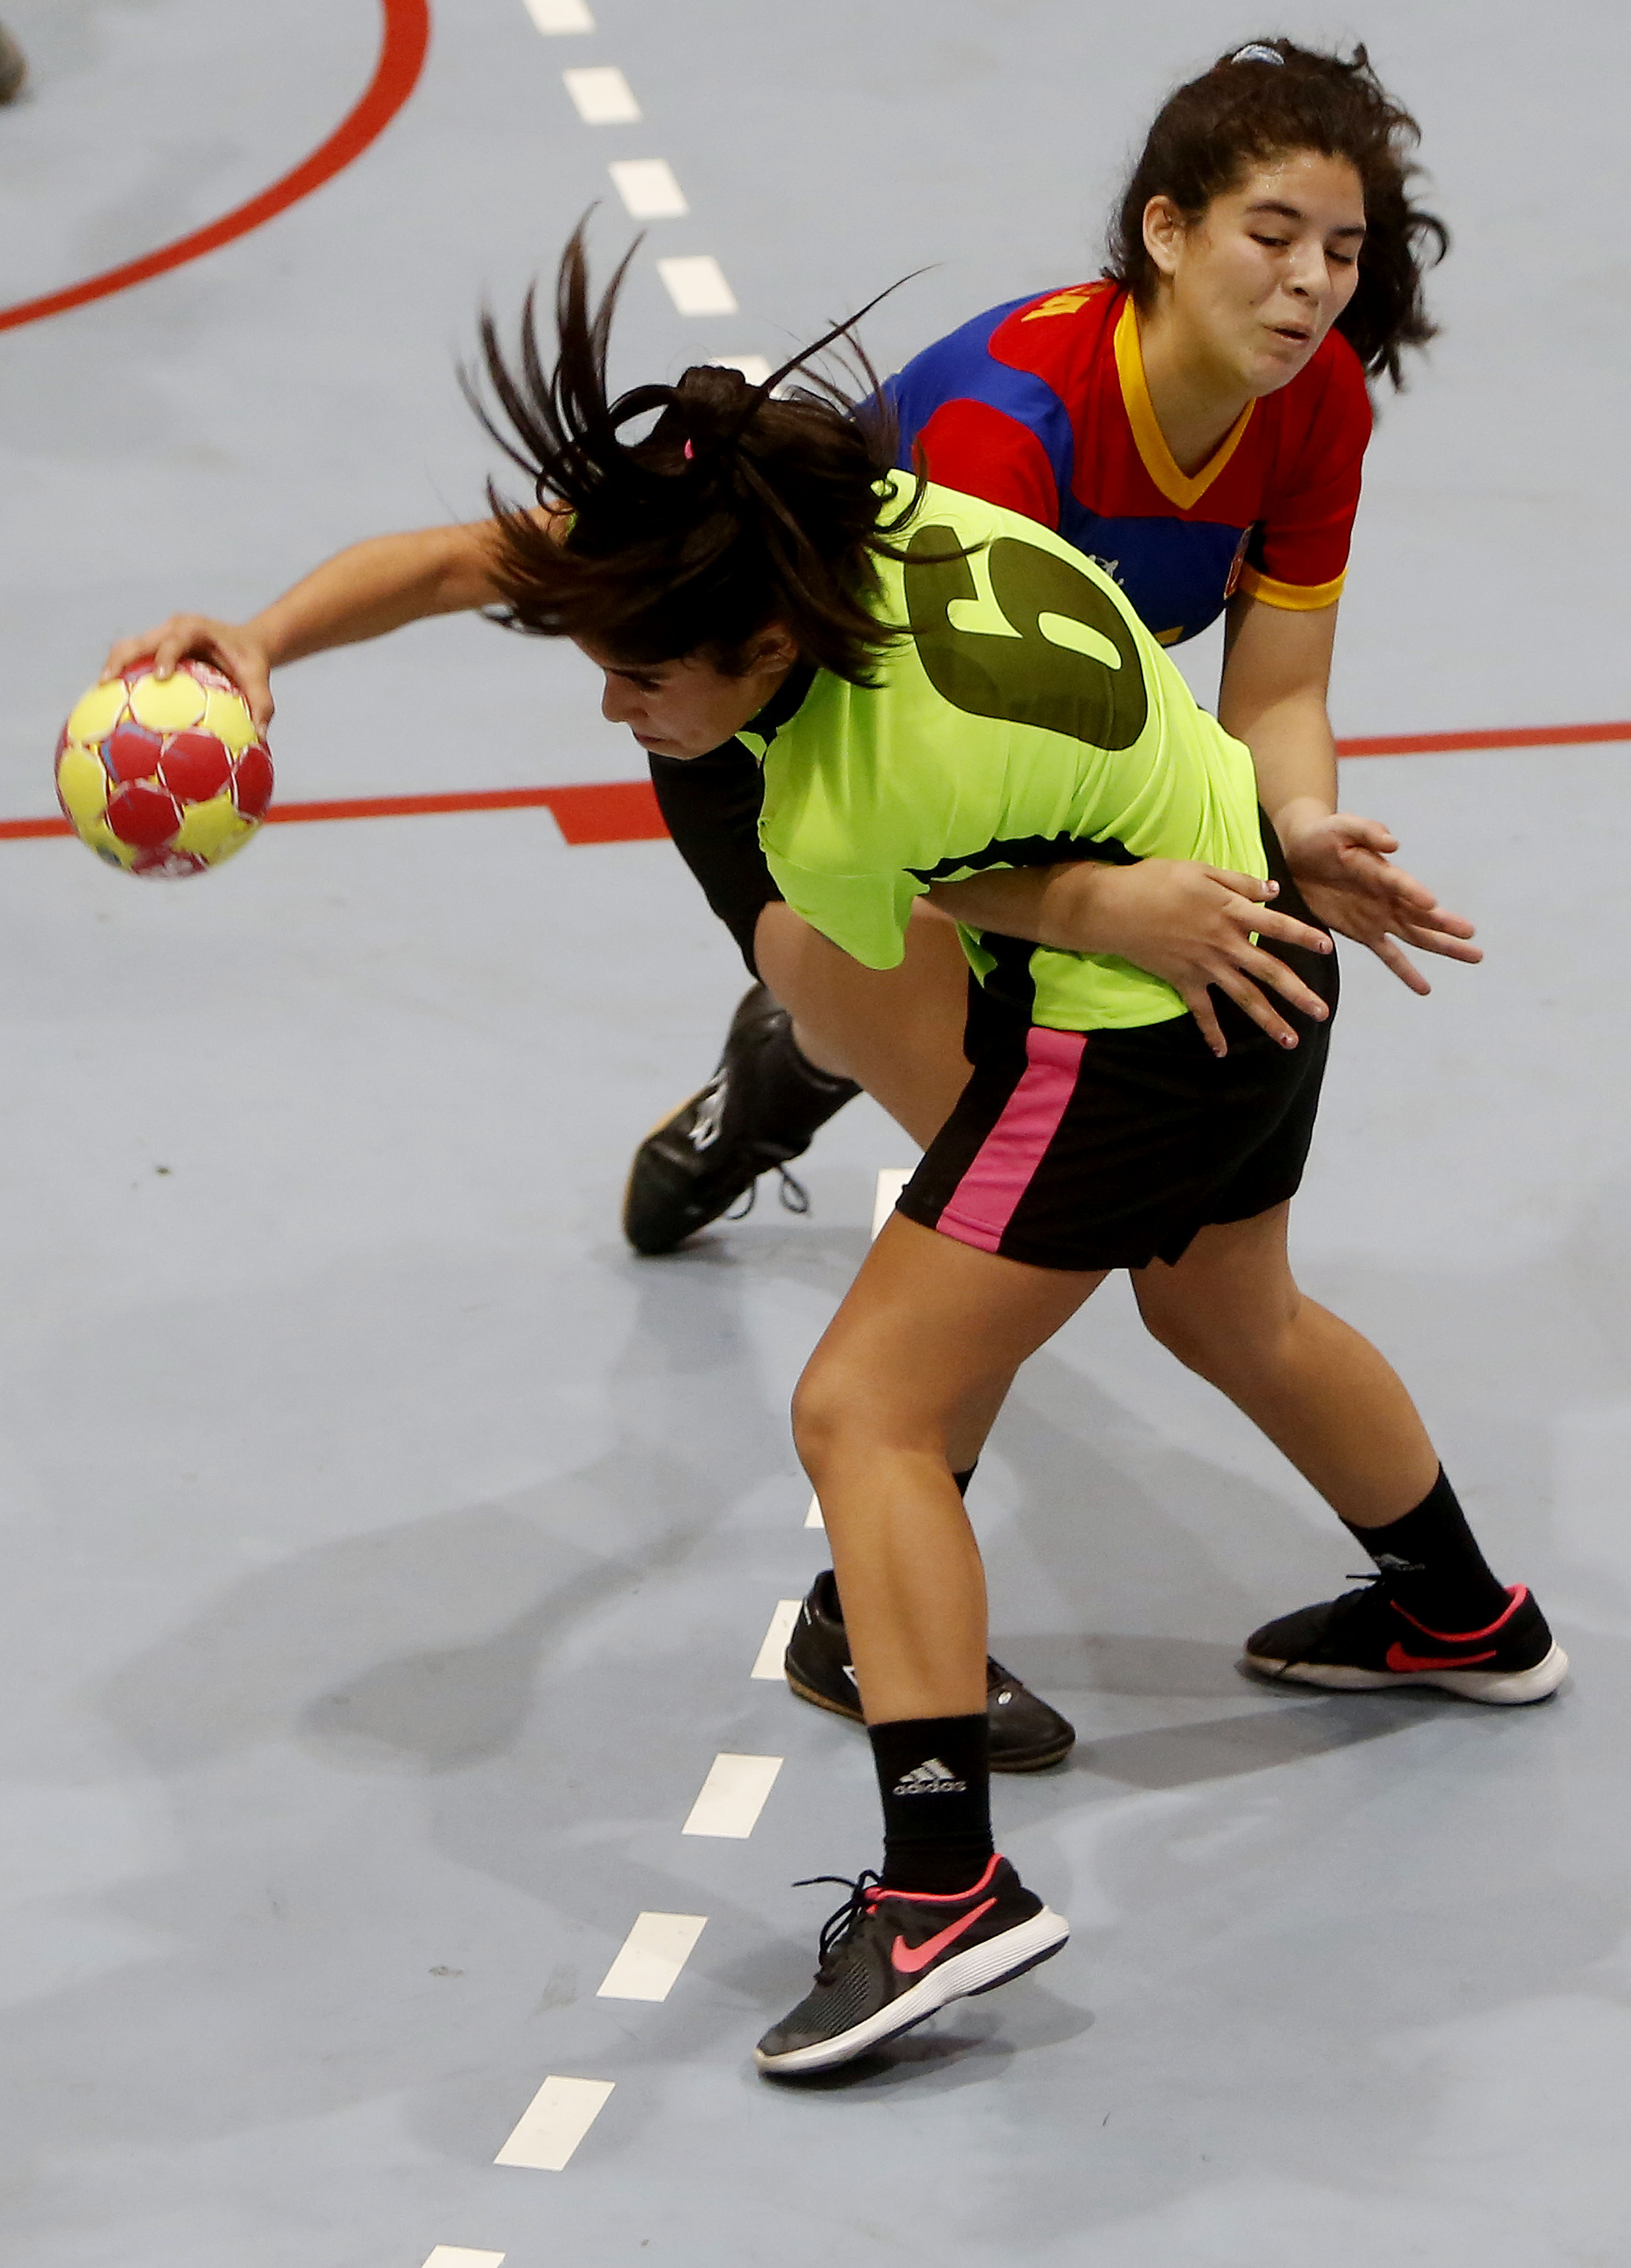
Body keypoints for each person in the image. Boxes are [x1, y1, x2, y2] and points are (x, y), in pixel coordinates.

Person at [423, 229, 1562, 2075]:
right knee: (1233, 1313)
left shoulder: (833, 793)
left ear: (765, 640)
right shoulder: (913, 522)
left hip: (1135, 1030)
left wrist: (1093, 914)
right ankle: (1463, 1612)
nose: (617, 713)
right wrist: (1120, 889)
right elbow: (1022, 841)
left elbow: (907, 926)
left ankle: (944, 1887)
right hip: (1268, 949)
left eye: (638, 676)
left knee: (864, 1407)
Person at [627, 37, 1477, 1294]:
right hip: (809, 767)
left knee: (1078, 1169)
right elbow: (929, 808)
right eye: (1272, 236)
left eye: (1340, 252)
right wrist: (1102, 914)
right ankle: (807, 1038)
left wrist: (1296, 825)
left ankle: (809, 1043)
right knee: (1015, 1189)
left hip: (1004, 767)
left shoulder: (1315, 400)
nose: (1310, 283)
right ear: (1166, 232)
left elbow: (1279, 694)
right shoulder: (1007, 426)